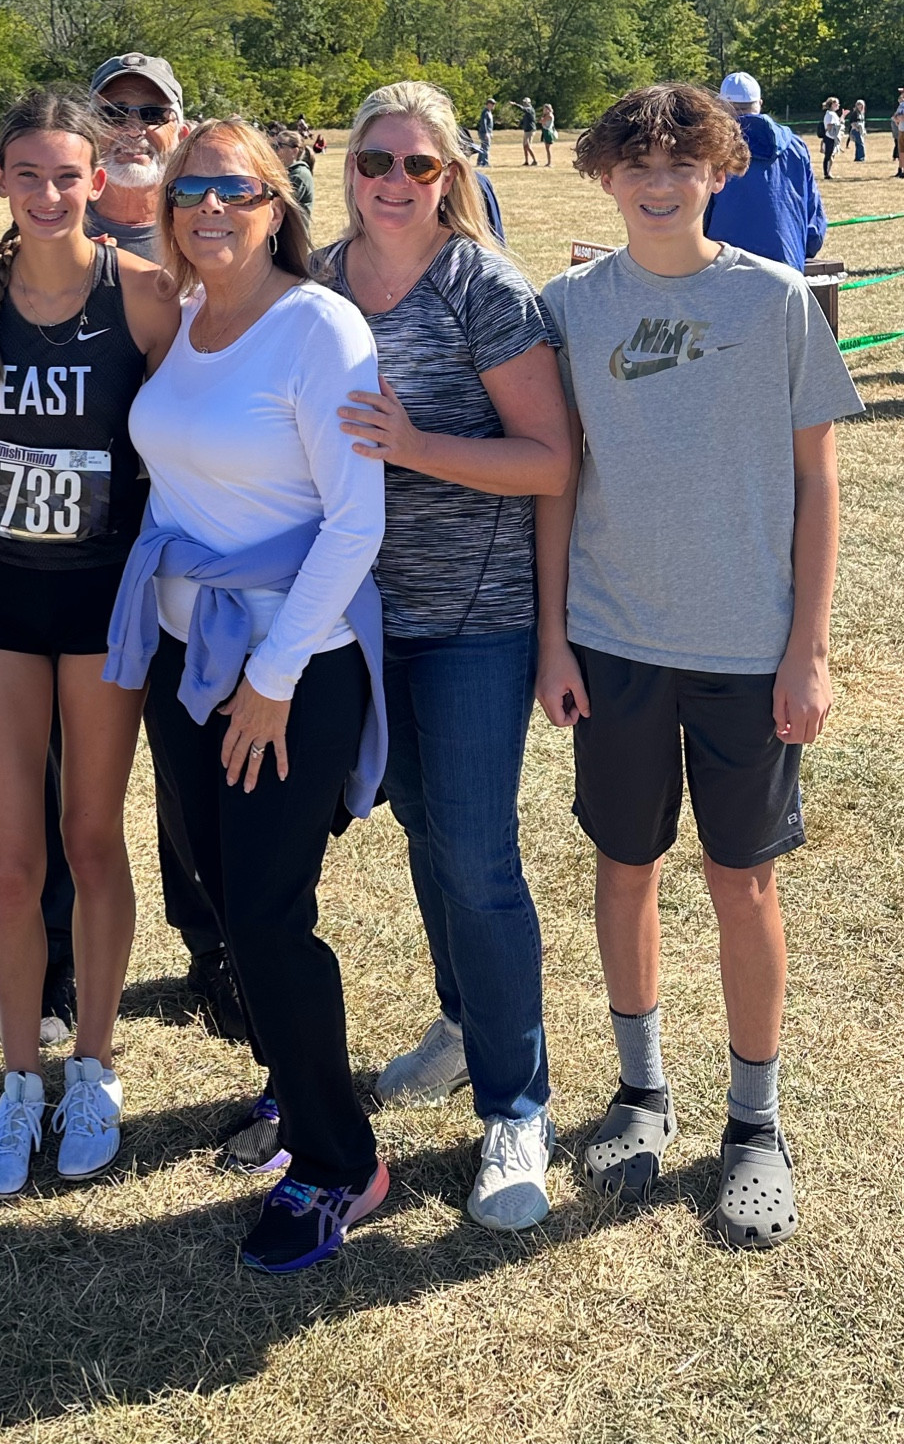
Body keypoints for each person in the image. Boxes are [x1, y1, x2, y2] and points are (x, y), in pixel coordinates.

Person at [535, 83, 862, 1249]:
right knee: (625, 866)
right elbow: (555, 477)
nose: (659, 180)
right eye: (636, 163)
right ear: (605, 178)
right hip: (616, 640)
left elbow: (819, 481)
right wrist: (553, 634)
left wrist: (808, 648)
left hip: (746, 649)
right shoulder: (570, 306)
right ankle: (641, 1090)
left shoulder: (776, 300)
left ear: (722, 171)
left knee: (743, 882)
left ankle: (755, 1121)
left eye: (683, 160)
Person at [106, 118, 391, 1275]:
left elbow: (355, 521)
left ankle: (341, 1160)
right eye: (191, 189)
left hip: (292, 664)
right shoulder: (184, 318)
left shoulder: (318, 326)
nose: (211, 206)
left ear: (279, 204)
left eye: (236, 188)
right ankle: (291, 1081)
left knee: (269, 911)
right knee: (224, 898)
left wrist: (272, 682)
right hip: (187, 657)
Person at [318, 82, 571, 1229]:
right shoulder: (320, 281)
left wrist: (415, 445)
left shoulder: (484, 286)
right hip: (363, 618)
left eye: (417, 164)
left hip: (475, 617)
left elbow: (550, 458)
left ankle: (519, 1104)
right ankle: (466, 1023)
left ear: (451, 174)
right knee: (422, 830)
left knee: (477, 854)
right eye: (374, 159)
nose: (393, 180)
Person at [0, 90, 178, 1196]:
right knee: (10, 856)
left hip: (103, 601)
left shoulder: (145, 295)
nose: (49, 194)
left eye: (68, 175)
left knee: (91, 836)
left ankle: (94, 1062)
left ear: (100, 180)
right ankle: (18, 1076)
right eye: (28, 175)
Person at [83, 51, 240, 1036]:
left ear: (179, 129)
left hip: (185, 543)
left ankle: (212, 946)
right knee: (70, 764)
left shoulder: (206, 239)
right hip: (74, 546)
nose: (134, 125)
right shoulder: (53, 225)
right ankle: (58, 956)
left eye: (153, 110)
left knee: (191, 760)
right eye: (115, 110)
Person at [705, 73, 825, 272]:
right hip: (786, 269)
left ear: (721, 105)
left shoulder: (714, 148)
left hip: (726, 269)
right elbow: (814, 221)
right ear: (759, 103)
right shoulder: (796, 146)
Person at [271, 128, 315, 221]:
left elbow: (281, 204)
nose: (274, 150)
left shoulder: (299, 174)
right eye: (274, 145)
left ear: (294, 151)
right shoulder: (286, 171)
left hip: (293, 229)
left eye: (279, 146)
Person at [820, 98, 842, 180]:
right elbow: (829, 125)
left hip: (832, 137)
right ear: (832, 104)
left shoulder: (832, 114)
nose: (838, 105)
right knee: (828, 156)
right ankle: (826, 173)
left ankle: (829, 172)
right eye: (836, 103)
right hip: (830, 137)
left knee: (831, 156)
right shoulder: (830, 114)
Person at [477, 98, 496, 169]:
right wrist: (486, 133)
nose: (493, 105)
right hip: (484, 133)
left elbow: (489, 124)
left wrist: (491, 132)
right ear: (488, 104)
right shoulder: (485, 112)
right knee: (486, 147)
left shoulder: (489, 112)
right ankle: (485, 163)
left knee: (483, 147)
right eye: (492, 104)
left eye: (494, 104)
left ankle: (479, 162)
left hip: (487, 132)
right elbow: (484, 123)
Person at [519, 98, 538, 166]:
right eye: (524, 102)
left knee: (528, 145)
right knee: (525, 146)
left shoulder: (530, 109)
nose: (524, 104)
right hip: (526, 130)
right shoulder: (527, 111)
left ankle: (535, 161)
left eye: (525, 102)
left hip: (530, 130)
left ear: (529, 103)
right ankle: (526, 161)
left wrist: (515, 104)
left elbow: (523, 109)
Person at [891, 90, 904, 179]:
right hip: (901, 129)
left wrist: (899, 118)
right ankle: (900, 170)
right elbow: (895, 116)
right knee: (901, 151)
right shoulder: (901, 105)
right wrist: (897, 119)